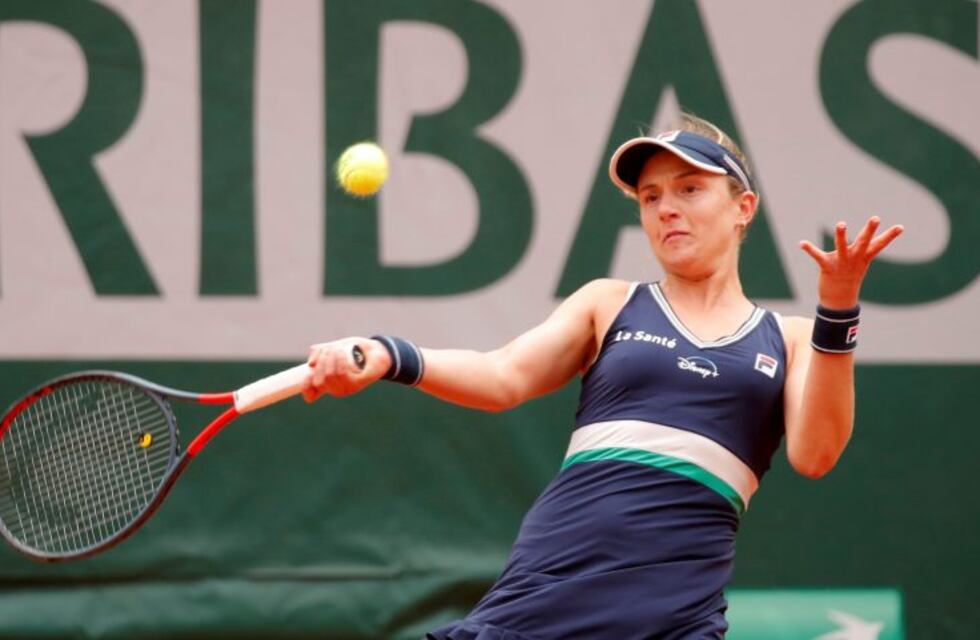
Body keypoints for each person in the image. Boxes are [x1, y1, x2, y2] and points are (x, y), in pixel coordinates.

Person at [301, 114, 904, 639]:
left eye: (690, 189)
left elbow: (816, 454)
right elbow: (503, 375)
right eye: (650, 196)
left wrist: (838, 309)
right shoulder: (608, 303)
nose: (666, 208)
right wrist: (390, 355)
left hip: (675, 614)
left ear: (742, 207)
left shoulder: (793, 338)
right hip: (551, 588)